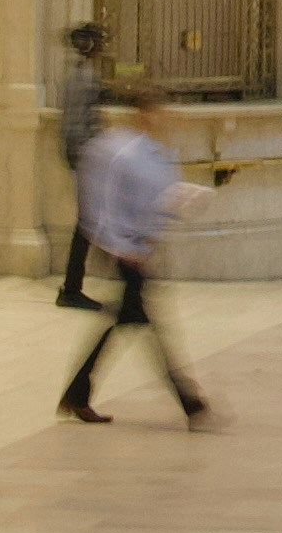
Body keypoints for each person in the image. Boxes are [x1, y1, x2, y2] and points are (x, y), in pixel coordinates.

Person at [54, 99, 208, 430]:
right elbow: (102, 203)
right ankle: (188, 401)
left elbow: (159, 200)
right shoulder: (118, 151)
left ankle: (77, 394)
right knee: (149, 324)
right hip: (123, 251)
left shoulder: (159, 156)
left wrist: (180, 205)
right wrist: (119, 247)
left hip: (137, 249)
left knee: (125, 320)